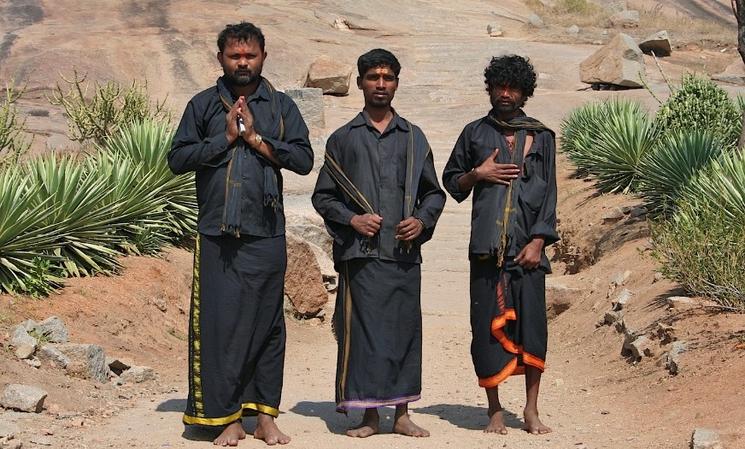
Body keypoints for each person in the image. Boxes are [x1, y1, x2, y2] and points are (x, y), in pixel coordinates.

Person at [168, 22, 313, 446]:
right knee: (220, 327)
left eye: (250, 56)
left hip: (266, 233)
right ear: (221, 59)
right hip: (217, 235)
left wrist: (256, 139)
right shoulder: (201, 105)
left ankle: (265, 417)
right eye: (235, 56)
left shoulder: (282, 107)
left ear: (264, 56)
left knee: (268, 327)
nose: (243, 63)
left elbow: (303, 160)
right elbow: (177, 159)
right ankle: (225, 418)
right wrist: (226, 136)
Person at [312, 48, 446, 438]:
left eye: (388, 78)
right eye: (373, 77)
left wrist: (420, 221)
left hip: (404, 254)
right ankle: (370, 415)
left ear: (397, 84)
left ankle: (402, 413)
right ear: (360, 83)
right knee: (365, 332)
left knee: (405, 331)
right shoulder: (343, 139)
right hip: (362, 254)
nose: (381, 85)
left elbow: (433, 193)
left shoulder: (414, 138)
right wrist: (352, 219)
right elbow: (324, 196)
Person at [441, 54, 558, 435]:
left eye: (514, 88)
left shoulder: (542, 136)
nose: (505, 93)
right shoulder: (475, 132)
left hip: (528, 250)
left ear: (525, 92)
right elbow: (450, 180)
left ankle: (531, 410)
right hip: (486, 249)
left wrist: (539, 240)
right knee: (484, 328)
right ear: (490, 88)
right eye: (499, 86)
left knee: (533, 329)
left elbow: (550, 195)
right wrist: (479, 173)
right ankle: (493, 411)